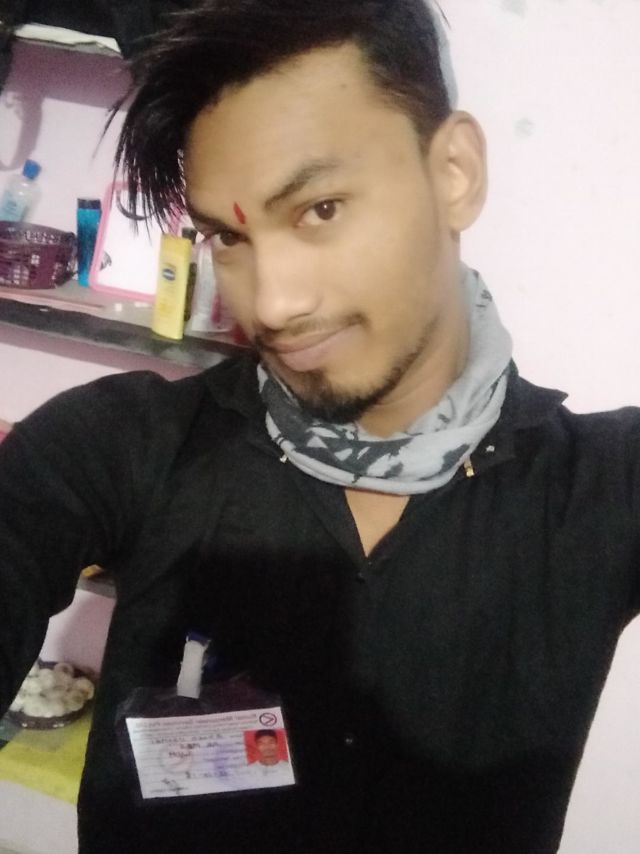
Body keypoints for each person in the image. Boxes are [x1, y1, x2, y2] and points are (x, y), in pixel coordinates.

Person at [0, 1, 638, 852]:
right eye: (227, 237)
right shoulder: (122, 445)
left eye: (320, 209)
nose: (272, 303)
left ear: (453, 172)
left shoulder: (602, 491)